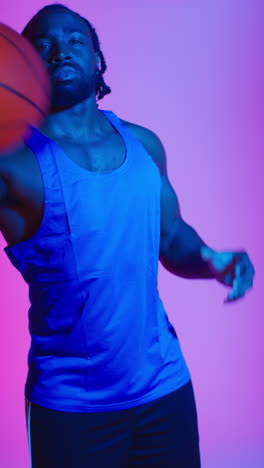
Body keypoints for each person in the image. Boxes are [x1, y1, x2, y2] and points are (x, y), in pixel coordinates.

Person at [0, 4, 255, 468]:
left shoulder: (144, 144)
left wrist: (211, 259)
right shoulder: (12, 165)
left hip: (165, 389)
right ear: (24, 64)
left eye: (76, 40)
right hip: (71, 408)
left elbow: (171, 235)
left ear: (99, 60)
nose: (60, 51)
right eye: (43, 45)